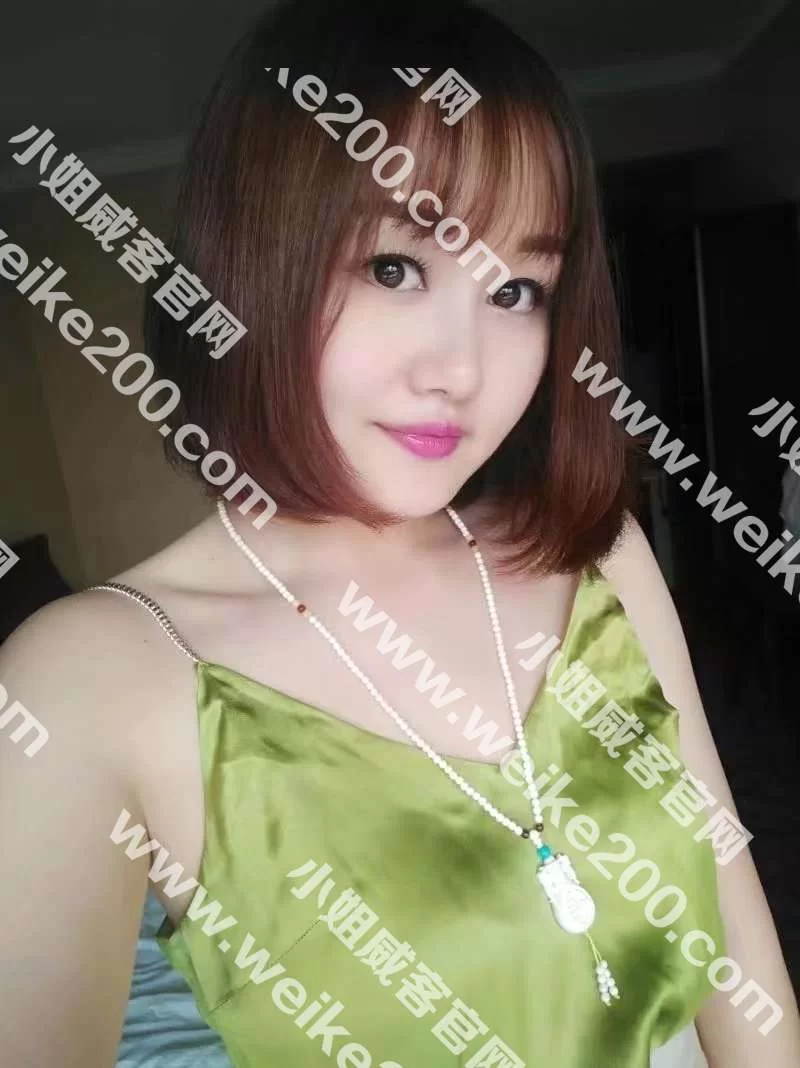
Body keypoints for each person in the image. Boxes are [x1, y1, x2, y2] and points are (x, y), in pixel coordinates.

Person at [1, 2, 798, 1065]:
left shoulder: (595, 553)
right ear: (249, 263)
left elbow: (742, 967)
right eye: (393, 269)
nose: (461, 368)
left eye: (517, 290)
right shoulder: (86, 678)